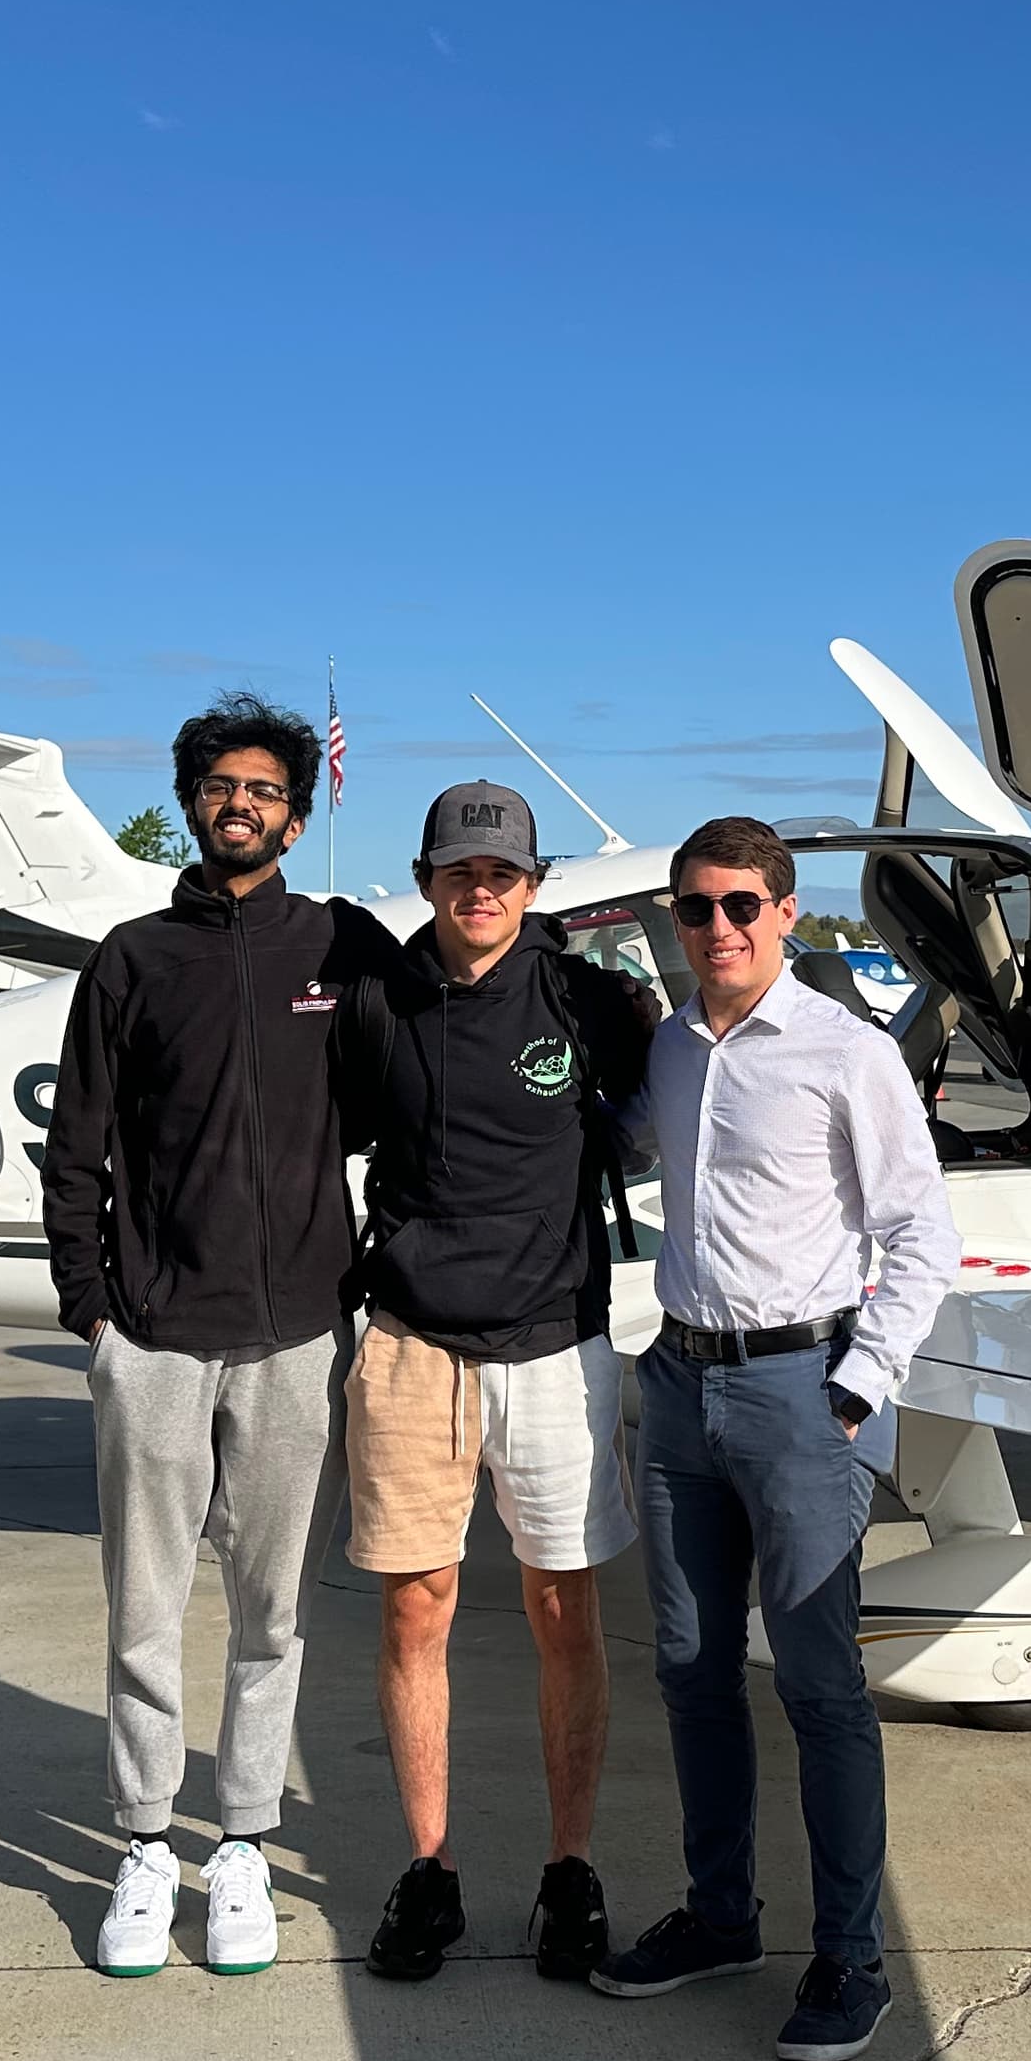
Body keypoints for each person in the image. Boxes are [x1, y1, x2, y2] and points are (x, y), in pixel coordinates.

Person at [592, 815, 958, 2061]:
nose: (719, 929)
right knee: (691, 1670)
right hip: (683, 1386)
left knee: (817, 1684)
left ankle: (853, 1958)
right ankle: (721, 1916)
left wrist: (857, 1386)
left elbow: (921, 1235)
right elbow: (625, 1140)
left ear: (788, 914)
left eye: (741, 905)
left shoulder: (846, 1053)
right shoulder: (676, 1049)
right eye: (695, 909)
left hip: (801, 1388)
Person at [39, 692, 389, 1980]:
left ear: (297, 812)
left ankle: (239, 1839)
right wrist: (94, 1309)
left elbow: (421, 1078)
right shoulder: (133, 958)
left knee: (273, 1609)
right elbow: (75, 1147)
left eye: (264, 789)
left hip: (296, 1328)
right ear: (194, 800)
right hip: (156, 1330)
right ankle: (143, 1842)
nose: (240, 804)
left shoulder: (341, 947)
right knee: (143, 1607)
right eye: (220, 785)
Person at [335, 782, 656, 1988]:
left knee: (563, 1609)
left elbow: (667, 1111)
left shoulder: (588, 998)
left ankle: (570, 1867)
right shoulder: (377, 997)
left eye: (504, 873)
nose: (483, 891)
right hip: (414, 1337)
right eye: (460, 872)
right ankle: (432, 1869)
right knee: (415, 1606)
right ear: (425, 879)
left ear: (533, 883)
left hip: (553, 1340)